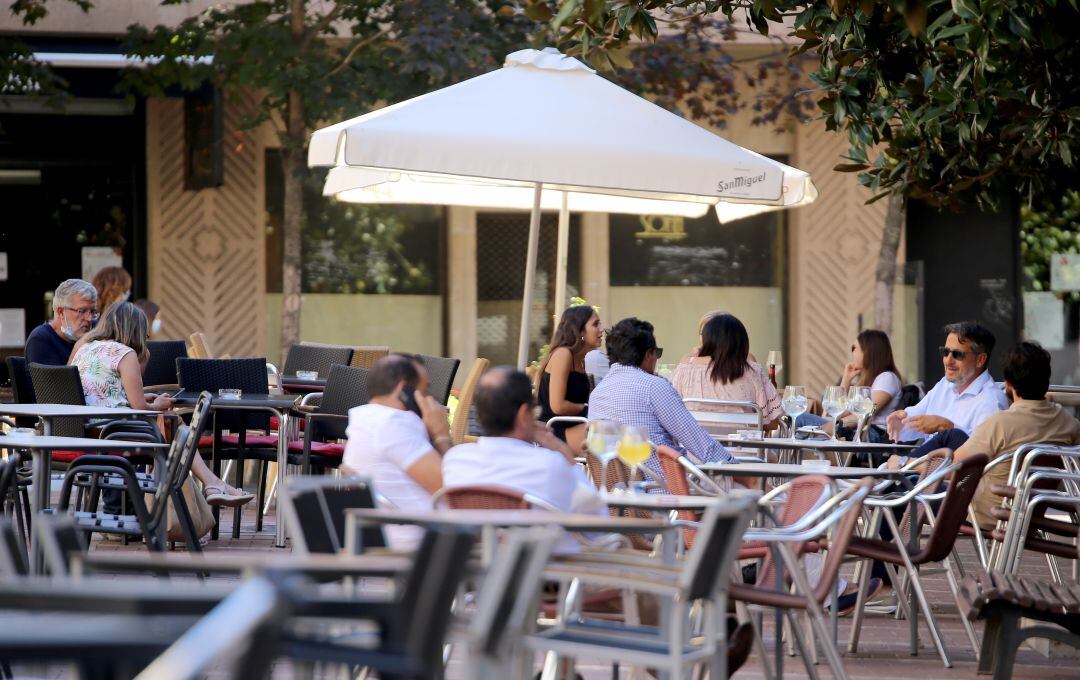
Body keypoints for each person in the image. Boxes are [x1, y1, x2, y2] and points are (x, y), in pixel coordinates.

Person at [70, 302, 253, 507]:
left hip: (88, 431)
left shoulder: (84, 349)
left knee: (171, 426)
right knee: (175, 425)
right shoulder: (125, 353)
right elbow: (139, 408)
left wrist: (144, 400)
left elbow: (99, 390)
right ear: (135, 329)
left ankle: (209, 486)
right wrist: (158, 404)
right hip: (114, 432)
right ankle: (204, 489)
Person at [443, 367, 607, 553]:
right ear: (523, 415)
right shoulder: (549, 464)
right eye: (534, 411)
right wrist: (562, 449)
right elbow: (599, 521)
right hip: (549, 575)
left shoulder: (455, 460)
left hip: (480, 573)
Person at [922, 342, 1080, 530]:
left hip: (984, 513)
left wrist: (907, 466)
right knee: (953, 435)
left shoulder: (1000, 424)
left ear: (1009, 384)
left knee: (899, 491)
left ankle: (887, 555)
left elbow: (949, 470)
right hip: (1029, 511)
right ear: (1046, 381)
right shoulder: (1069, 424)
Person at [588, 317, 735, 474]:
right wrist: (738, 469)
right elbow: (703, 446)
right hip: (665, 490)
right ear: (647, 355)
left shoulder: (597, 393)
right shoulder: (654, 387)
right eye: (657, 353)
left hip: (616, 493)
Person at [340, 354, 451, 550]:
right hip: (421, 536)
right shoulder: (395, 424)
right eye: (425, 390)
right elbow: (451, 491)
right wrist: (442, 435)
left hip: (389, 529)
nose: (430, 399)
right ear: (404, 391)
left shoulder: (364, 419)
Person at [886, 321, 1008, 456]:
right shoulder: (944, 385)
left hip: (950, 475)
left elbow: (982, 454)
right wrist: (899, 423)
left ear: (980, 360)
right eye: (945, 352)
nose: (948, 361)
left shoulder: (992, 400)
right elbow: (913, 424)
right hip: (923, 470)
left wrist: (948, 427)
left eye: (957, 354)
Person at [672, 313, 783, 432]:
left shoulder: (684, 370)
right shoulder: (752, 371)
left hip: (695, 450)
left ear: (706, 339)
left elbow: (672, 416)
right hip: (743, 449)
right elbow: (772, 423)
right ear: (741, 341)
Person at [536, 305, 603, 446]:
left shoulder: (580, 359)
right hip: (553, 431)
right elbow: (558, 406)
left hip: (572, 427)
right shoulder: (563, 354)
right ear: (580, 331)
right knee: (607, 439)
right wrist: (588, 408)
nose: (601, 329)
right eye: (595, 324)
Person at [839, 329, 903, 443]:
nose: (852, 353)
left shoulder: (887, 378)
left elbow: (865, 413)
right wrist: (846, 379)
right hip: (858, 435)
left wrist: (832, 426)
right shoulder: (868, 381)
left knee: (804, 423)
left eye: (854, 348)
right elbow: (838, 410)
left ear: (868, 351)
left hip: (870, 437)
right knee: (806, 425)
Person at [25, 278, 98, 368]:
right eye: (82, 311)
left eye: (92, 311)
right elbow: (57, 382)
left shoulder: (96, 329)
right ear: (61, 312)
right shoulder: (41, 339)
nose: (89, 318)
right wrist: (79, 347)